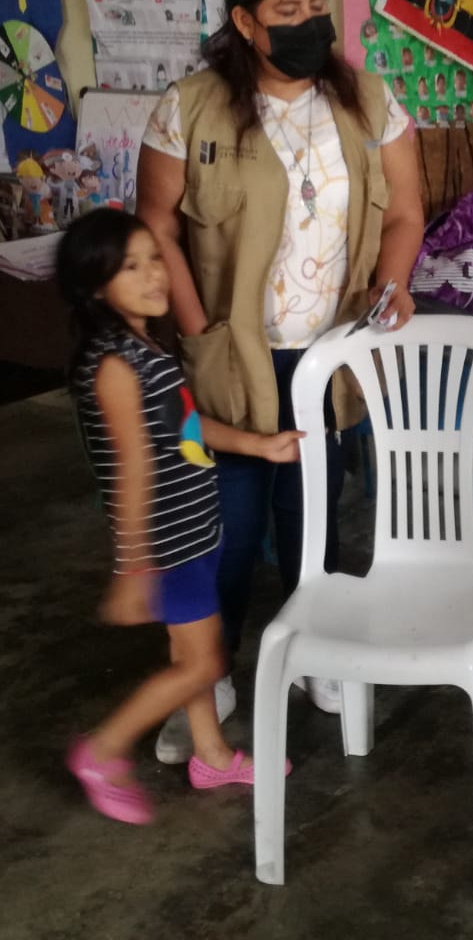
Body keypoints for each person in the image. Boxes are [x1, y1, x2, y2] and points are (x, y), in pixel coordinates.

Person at [136, 0, 424, 757]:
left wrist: (393, 285)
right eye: (286, 11)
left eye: (318, 7)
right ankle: (208, 678)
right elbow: (156, 224)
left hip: (329, 354)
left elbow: (407, 211)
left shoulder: (368, 102)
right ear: (244, 21)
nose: (308, 24)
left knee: (314, 521)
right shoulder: (190, 107)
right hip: (233, 353)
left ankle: (315, 653)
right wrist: (197, 328)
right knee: (223, 528)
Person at [57, 210, 301, 823]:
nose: (152, 275)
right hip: (169, 545)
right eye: (130, 267)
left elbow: (186, 426)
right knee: (203, 663)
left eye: (154, 259)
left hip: (195, 529)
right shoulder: (114, 365)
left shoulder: (144, 349)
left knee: (194, 652)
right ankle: (103, 750)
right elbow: (134, 467)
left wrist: (260, 444)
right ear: (95, 287)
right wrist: (134, 567)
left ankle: (211, 756)